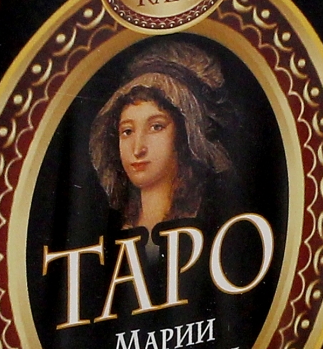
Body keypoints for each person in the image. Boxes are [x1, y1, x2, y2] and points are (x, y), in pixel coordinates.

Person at [89, 38, 232, 235]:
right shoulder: (108, 227)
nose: (138, 149)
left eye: (156, 127)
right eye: (127, 131)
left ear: (185, 134)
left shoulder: (213, 217)